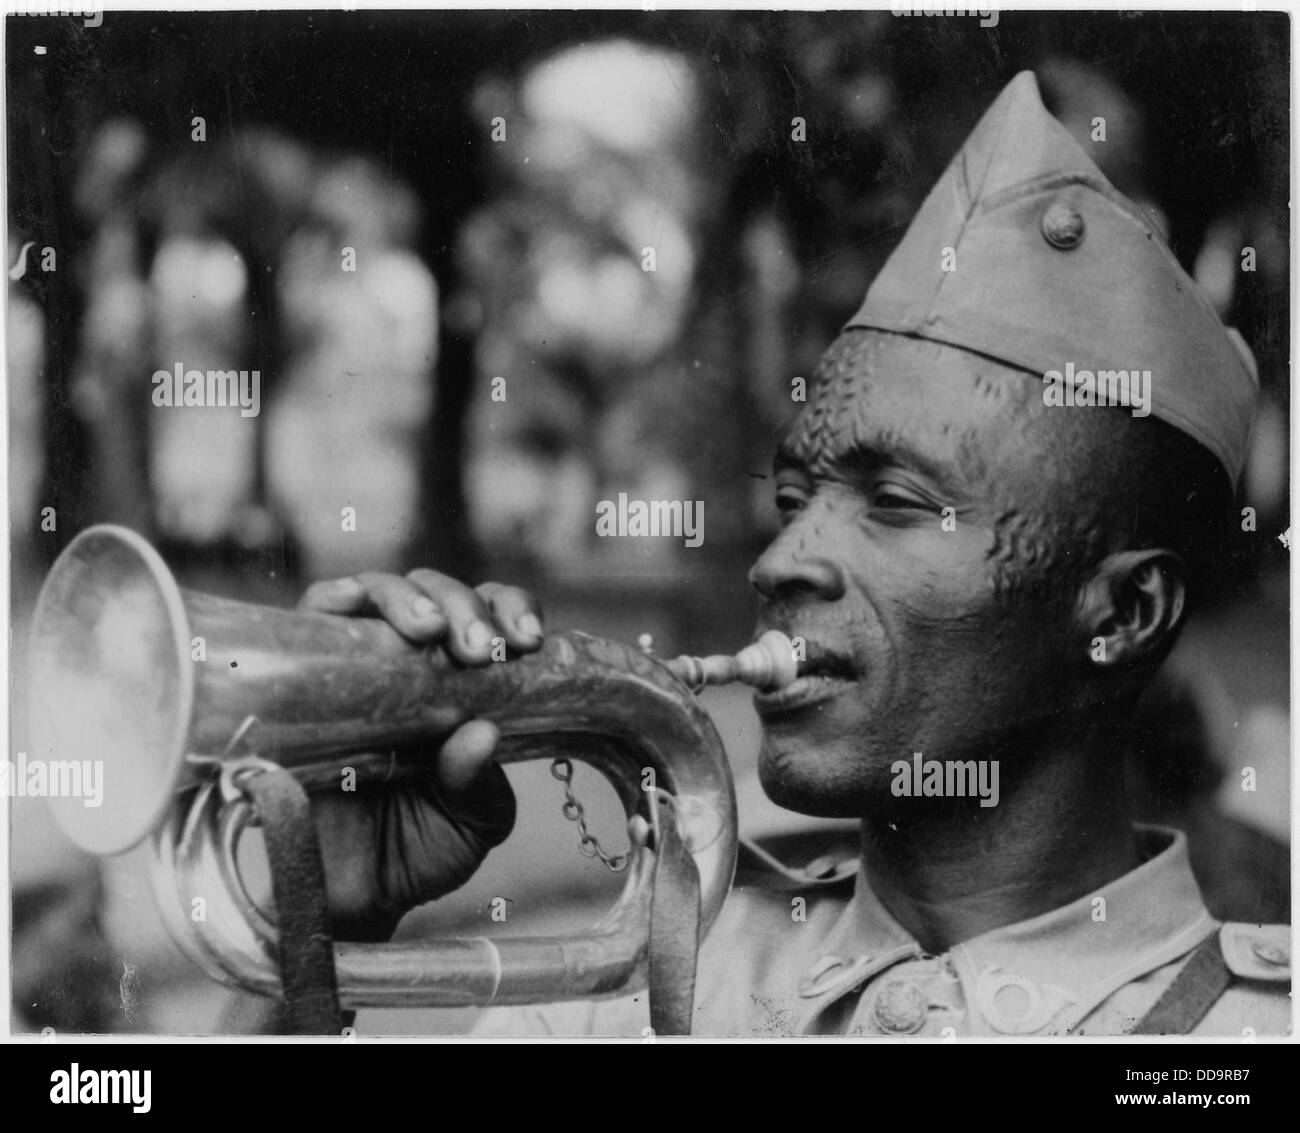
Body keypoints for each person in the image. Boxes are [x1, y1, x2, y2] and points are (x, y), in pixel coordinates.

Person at [300, 71, 1290, 1036]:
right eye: (792, 498)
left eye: (898, 501)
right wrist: (320, 926)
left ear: (1122, 612)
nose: (779, 561)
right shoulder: (635, 986)